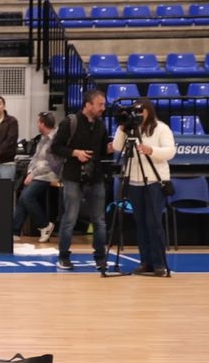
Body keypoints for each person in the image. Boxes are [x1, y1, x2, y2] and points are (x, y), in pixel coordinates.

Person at [111, 98, 175, 276]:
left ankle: (159, 263)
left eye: (142, 110)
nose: (139, 114)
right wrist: (122, 127)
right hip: (134, 181)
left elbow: (170, 151)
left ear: (149, 111)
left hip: (154, 180)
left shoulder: (161, 128)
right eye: (136, 111)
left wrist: (151, 150)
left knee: (153, 223)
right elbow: (117, 146)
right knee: (140, 224)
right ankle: (145, 262)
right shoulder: (130, 128)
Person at [51, 88, 109, 272]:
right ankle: (63, 256)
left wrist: (112, 147)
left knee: (99, 220)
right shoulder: (70, 122)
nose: (103, 108)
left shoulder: (101, 125)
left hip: (96, 176)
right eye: (100, 104)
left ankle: (100, 257)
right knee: (70, 218)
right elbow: (56, 147)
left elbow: (102, 149)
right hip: (73, 176)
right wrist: (75, 153)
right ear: (88, 104)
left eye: (104, 104)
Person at [12, 111, 61, 243]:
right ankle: (15, 232)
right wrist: (29, 172)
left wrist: (33, 174)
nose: (37, 124)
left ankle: (44, 225)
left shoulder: (56, 139)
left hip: (49, 175)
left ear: (43, 124)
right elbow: (35, 158)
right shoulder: (42, 138)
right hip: (37, 174)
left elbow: (51, 164)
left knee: (27, 196)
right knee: (23, 196)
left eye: (38, 122)